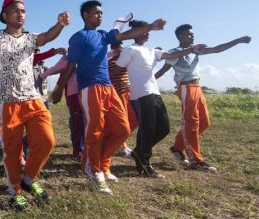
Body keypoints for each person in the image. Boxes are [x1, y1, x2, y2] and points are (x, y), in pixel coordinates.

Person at [51, 0, 166, 195]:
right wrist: (59, 88)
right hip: (90, 87)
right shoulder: (79, 37)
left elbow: (126, 34)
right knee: (94, 131)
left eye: (102, 13)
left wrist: (151, 27)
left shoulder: (103, 35)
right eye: (96, 13)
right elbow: (71, 64)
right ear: (86, 15)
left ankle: (103, 165)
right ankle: (93, 171)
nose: (100, 16)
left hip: (108, 87)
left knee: (122, 129)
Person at [0, 0, 70, 209]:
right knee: (12, 152)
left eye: (23, 11)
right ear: (5, 15)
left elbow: (47, 37)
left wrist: (59, 25)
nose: (20, 14)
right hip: (8, 102)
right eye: (16, 10)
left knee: (47, 141)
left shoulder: (30, 38)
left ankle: (29, 178)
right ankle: (14, 192)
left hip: (33, 99)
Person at [155, 24, 252, 172]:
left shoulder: (196, 50)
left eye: (192, 34)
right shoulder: (174, 53)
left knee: (204, 122)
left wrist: (238, 40)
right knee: (191, 123)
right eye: (188, 34)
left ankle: (177, 148)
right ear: (180, 36)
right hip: (186, 88)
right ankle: (196, 161)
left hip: (198, 88)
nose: (192, 36)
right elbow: (163, 70)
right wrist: (147, 81)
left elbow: (217, 49)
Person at [116, 20, 206, 178]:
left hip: (155, 93)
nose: (147, 32)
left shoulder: (152, 51)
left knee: (164, 128)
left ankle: (139, 152)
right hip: (140, 95)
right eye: (143, 30)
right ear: (135, 33)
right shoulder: (130, 50)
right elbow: (117, 68)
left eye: (147, 30)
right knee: (147, 129)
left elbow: (171, 55)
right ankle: (144, 165)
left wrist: (191, 49)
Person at [107, 42, 139, 157]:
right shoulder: (111, 63)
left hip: (129, 93)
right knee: (123, 121)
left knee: (135, 119)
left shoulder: (126, 61)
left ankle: (118, 141)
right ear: (115, 50)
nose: (122, 50)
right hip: (119, 94)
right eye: (120, 48)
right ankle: (121, 146)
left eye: (123, 47)